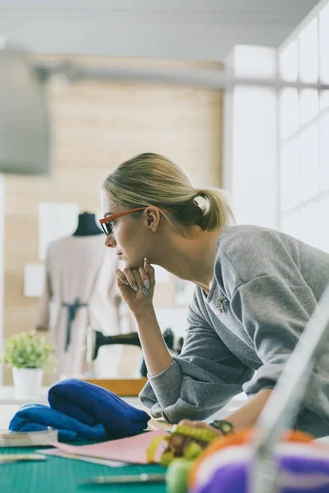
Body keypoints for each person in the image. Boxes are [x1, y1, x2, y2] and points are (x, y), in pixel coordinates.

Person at [98, 152, 329, 438]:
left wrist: (220, 433)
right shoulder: (205, 298)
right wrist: (143, 313)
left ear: (150, 217)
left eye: (110, 223)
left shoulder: (243, 254)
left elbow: (298, 372)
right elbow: (181, 402)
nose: (108, 240)